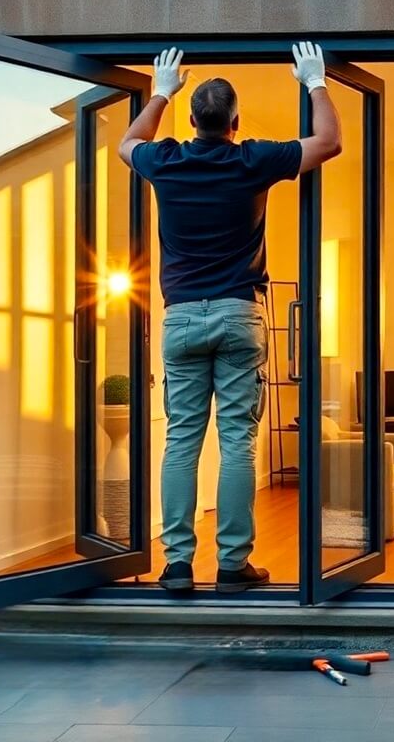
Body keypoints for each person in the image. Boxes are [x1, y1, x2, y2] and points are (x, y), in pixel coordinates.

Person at [118, 43, 342, 593]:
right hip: (239, 316)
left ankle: (175, 565)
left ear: (193, 120)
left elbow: (128, 142)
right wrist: (315, 80)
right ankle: (232, 564)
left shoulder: (164, 161)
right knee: (238, 439)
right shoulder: (252, 160)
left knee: (181, 441)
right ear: (236, 123)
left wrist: (161, 91)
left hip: (182, 320)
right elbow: (329, 142)